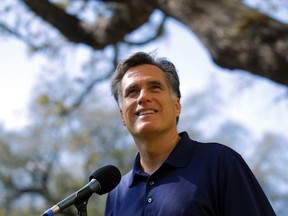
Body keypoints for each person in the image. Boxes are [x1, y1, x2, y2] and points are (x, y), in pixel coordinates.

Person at [105, 51, 276, 216]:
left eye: (155, 87)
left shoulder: (220, 163)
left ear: (177, 105)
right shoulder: (117, 194)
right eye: (132, 91)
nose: (143, 97)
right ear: (122, 115)